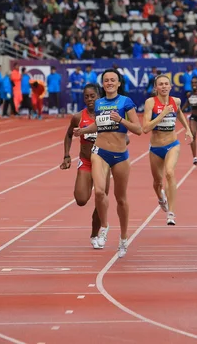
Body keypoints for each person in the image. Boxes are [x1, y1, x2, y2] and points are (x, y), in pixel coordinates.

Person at [73, 69, 142, 258]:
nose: (109, 83)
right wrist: (83, 130)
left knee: (121, 198)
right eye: (106, 80)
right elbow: (98, 125)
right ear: (103, 84)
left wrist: (121, 120)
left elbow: (138, 129)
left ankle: (123, 238)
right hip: (100, 152)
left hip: (120, 155)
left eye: (113, 80)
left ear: (119, 83)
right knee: (99, 191)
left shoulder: (126, 102)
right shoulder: (99, 103)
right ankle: (104, 227)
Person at [142, 75, 193, 226]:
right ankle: (160, 198)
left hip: (172, 144)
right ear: (156, 87)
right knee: (157, 182)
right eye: (160, 84)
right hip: (156, 147)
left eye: (166, 84)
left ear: (170, 86)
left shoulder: (176, 101)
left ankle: (171, 213)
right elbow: (145, 128)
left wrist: (188, 130)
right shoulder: (150, 102)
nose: (164, 86)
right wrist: (162, 115)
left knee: (170, 173)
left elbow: (179, 113)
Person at [61, 84, 107, 249]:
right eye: (86, 96)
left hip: (104, 163)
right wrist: (67, 155)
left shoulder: (107, 115)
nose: (89, 100)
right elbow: (68, 135)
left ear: (99, 97)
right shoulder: (78, 117)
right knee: (81, 199)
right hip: (86, 162)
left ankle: (95, 234)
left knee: (101, 200)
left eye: (92, 96)